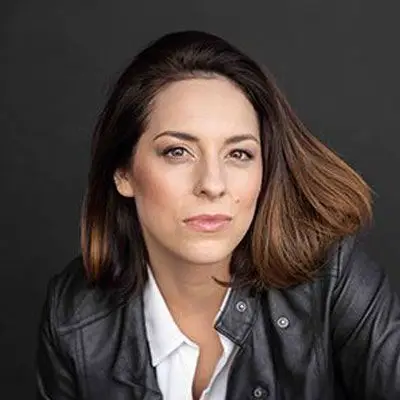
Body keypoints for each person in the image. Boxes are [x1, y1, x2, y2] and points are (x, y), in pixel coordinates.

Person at [35, 30, 400, 400]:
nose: (212, 184)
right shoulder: (73, 317)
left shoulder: (331, 278)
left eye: (238, 154)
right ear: (123, 172)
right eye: (178, 152)